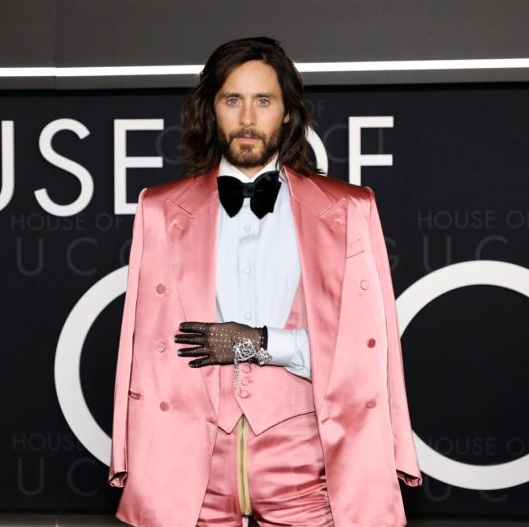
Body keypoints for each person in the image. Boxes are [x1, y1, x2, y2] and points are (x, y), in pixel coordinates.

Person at [109, 36, 422, 527]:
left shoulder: (350, 209)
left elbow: (365, 354)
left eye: (264, 101)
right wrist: (128, 455)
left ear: (288, 114)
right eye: (232, 100)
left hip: (309, 466)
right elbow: (142, 351)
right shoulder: (158, 209)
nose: (248, 119)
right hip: (190, 465)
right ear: (211, 111)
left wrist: (259, 343)